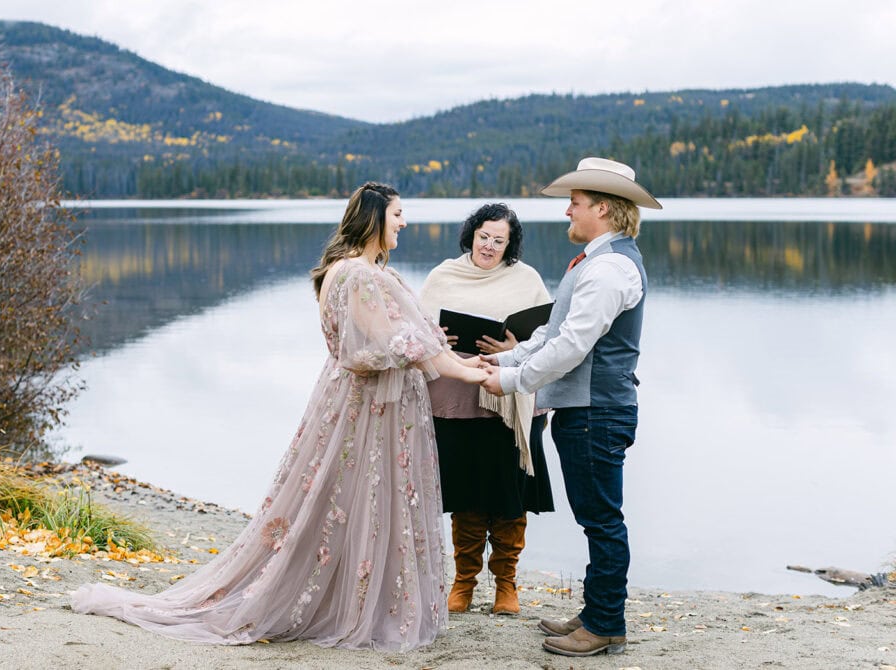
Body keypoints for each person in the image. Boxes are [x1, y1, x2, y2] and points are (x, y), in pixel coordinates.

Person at [71, 182, 487, 651]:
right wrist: (467, 373)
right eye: (397, 214)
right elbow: (398, 345)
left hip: (352, 401)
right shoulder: (359, 275)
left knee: (341, 498)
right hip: (370, 408)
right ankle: (347, 604)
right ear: (374, 218)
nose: (404, 222)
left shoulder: (345, 270)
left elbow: (406, 343)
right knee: (357, 496)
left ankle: (351, 593)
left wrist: (462, 364)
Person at [480, 157, 661, 657]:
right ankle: (595, 613)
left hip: (596, 412)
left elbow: (572, 347)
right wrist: (510, 358)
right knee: (595, 518)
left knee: (601, 520)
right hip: (587, 410)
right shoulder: (599, 261)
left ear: (602, 208)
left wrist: (514, 380)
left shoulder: (610, 268)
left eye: (575, 204)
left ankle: (605, 625)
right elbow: (552, 333)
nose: (567, 212)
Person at [418, 203, 555, 616]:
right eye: (484, 237)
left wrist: (514, 350)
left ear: (510, 245)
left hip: (510, 403)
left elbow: (547, 336)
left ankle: (506, 585)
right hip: (456, 399)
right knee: (466, 494)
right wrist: (435, 334)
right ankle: (463, 583)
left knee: (509, 495)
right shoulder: (443, 275)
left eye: (499, 240)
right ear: (471, 234)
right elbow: (418, 330)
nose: (490, 246)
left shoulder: (526, 279)